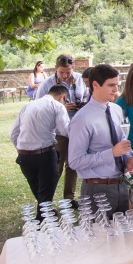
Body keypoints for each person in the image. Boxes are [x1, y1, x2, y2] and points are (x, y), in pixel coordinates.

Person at [67, 64, 133, 213]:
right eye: (111, 85)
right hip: (96, 190)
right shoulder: (82, 119)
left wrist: (128, 159)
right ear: (95, 85)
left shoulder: (116, 110)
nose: (116, 90)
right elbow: (74, 161)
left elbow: (121, 141)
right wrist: (111, 153)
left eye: (117, 85)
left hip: (122, 185)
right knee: (100, 235)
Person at [10, 84, 69, 211]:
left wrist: (22, 149)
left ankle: (46, 211)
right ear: (62, 97)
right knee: (46, 189)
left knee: (38, 189)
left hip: (24, 156)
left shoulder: (27, 106)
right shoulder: (57, 106)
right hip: (45, 154)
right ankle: (44, 220)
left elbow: (13, 134)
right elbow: (65, 131)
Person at [35, 54, 86, 201]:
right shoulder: (47, 83)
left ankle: (69, 198)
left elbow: (86, 95)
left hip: (77, 128)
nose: (64, 76)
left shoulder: (80, 79)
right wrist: (62, 107)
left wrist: (82, 103)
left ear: (73, 68)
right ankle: (47, 200)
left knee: (73, 164)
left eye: (68, 72)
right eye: (61, 72)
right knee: (56, 166)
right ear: (56, 68)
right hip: (58, 131)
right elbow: (40, 106)